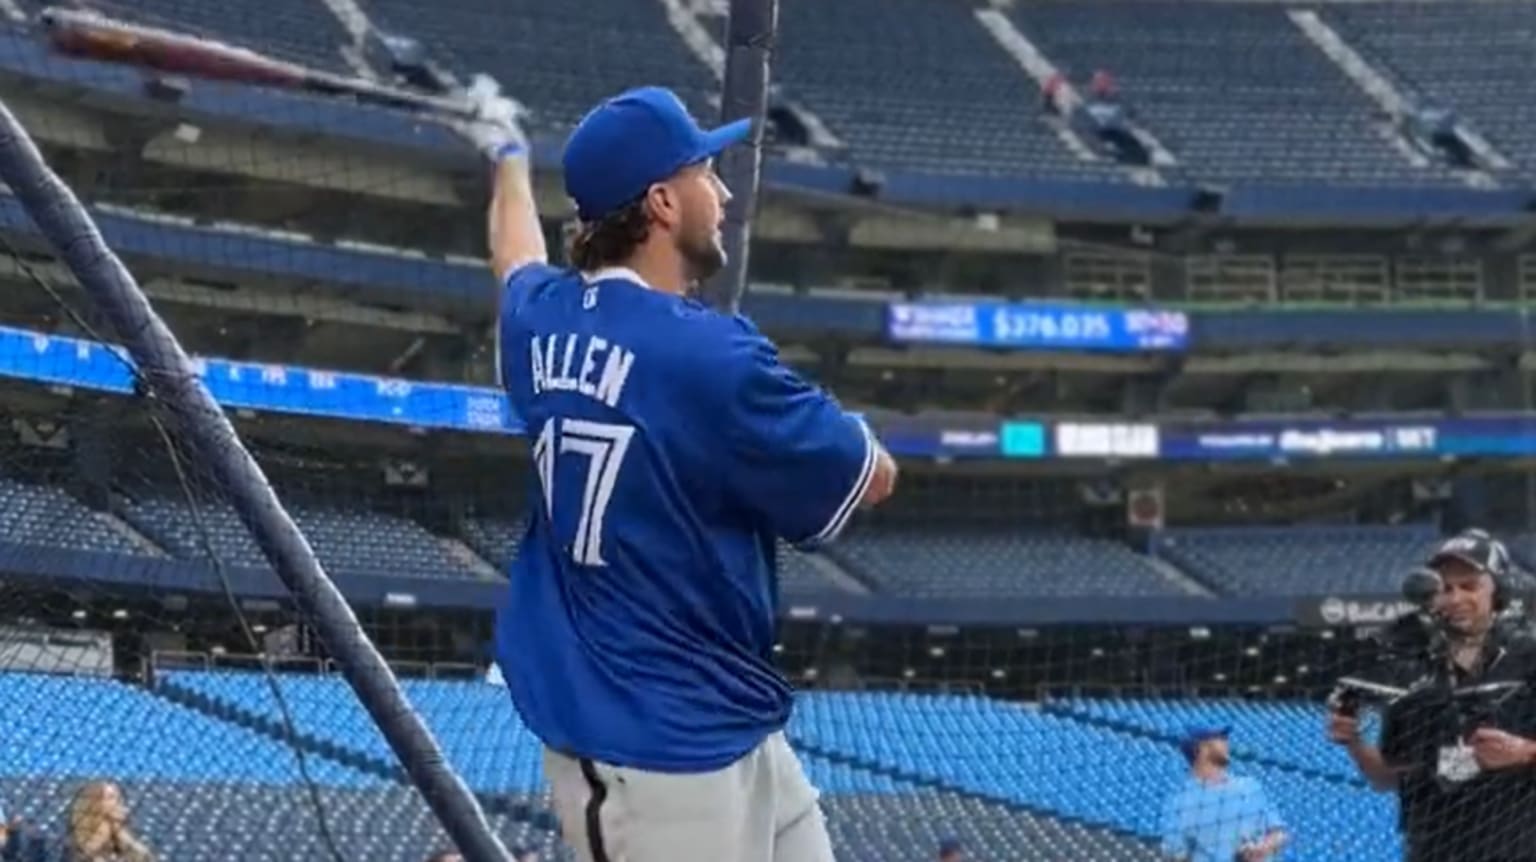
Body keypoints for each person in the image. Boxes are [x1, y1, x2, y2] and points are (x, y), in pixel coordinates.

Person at [453, 79, 897, 862]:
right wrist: (839, 424)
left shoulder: (540, 320)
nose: (721, 191)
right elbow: (872, 475)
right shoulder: (712, 354)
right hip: (648, 756)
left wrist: (509, 155)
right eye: (704, 173)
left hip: (730, 721)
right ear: (660, 202)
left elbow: (514, 253)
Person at [1327, 529, 1536, 862]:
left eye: (1469, 586)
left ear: (1499, 590)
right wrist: (1354, 742)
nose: (1455, 598)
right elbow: (1387, 778)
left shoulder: (1529, 656)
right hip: (1432, 850)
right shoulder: (1412, 673)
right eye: (1445, 588)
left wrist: (1525, 752)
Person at [1160, 726, 1287, 862]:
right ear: (1200, 748)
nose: (1226, 743)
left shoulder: (1250, 787)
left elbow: (1279, 834)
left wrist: (1262, 849)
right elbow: (1174, 856)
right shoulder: (1181, 802)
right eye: (1220, 738)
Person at [62, 781, 154, 862]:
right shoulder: (74, 843)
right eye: (111, 797)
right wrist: (103, 832)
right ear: (94, 803)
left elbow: (145, 857)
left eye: (118, 798)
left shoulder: (120, 835)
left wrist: (119, 831)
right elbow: (83, 855)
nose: (117, 802)